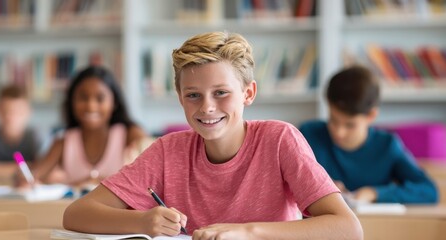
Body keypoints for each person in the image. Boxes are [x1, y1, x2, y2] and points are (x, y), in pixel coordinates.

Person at [63, 32, 362, 239]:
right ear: (180, 98)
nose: (207, 107)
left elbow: (348, 229)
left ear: (248, 93)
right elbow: (77, 214)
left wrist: (246, 233)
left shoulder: (280, 139)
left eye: (221, 93)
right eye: (193, 95)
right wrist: (142, 220)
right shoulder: (168, 151)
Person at [299, 65, 438, 204]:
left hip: (373, 224)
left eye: (350, 125)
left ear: (371, 115)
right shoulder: (308, 135)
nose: (339, 132)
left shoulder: (387, 145)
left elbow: (428, 191)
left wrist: (375, 193)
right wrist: (320, 187)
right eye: (333, 120)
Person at [32, 66, 147, 188]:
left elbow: (149, 176)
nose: (91, 106)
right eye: (83, 98)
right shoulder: (63, 142)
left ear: (114, 103)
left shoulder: (130, 135)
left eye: (100, 98)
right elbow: (34, 177)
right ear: (72, 102)